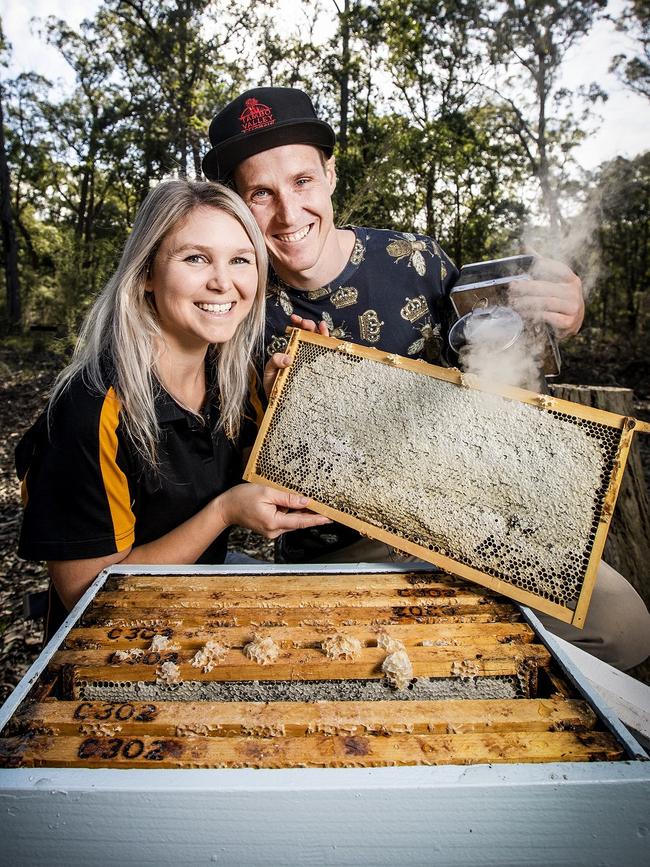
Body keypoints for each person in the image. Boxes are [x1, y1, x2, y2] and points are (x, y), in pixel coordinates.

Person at [201, 87, 650, 670]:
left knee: (626, 629)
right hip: (343, 548)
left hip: (472, 515)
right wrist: (270, 402)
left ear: (330, 175)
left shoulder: (415, 259)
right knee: (372, 668)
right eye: (260, 193)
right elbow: (223, 471)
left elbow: (499, 366)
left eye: (302, 181)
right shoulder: (231, 303)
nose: (288, 213)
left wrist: (559, 313)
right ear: (238, 203)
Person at [15, 178, 330, 641]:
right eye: (195, 258)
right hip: (110, 649)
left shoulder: (234, 377)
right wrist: (223, 514)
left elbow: (273, 476)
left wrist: (296, 398)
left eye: (240, 260)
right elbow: (85, 599)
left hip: (196, 615)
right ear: (145, 274)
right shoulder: (90, 406)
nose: (223, 281)